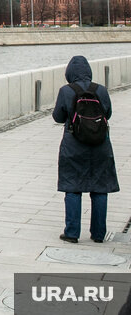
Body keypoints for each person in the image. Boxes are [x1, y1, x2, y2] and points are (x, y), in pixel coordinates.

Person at [52, 55, 118, 243]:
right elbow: (108, 114)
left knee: (72, 187)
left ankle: (72, 233)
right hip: (100, 145)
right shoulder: (101, 90)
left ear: (69, 73)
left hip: (73, 145)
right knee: (100, 188)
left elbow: (58, 117)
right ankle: (98, 234)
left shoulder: (66, 91)